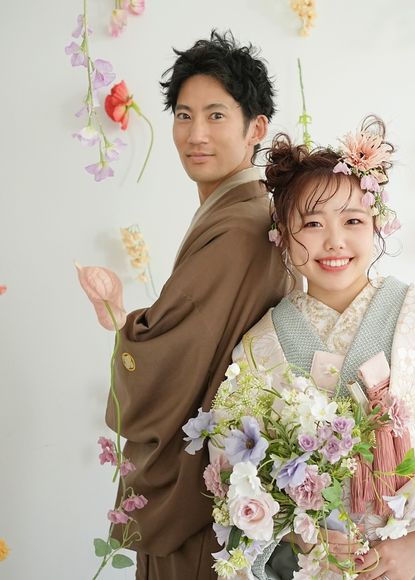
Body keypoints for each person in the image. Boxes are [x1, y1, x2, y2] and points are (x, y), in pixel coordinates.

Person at [221, 118, 415, 579]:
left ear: (376, 226)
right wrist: (298, 535)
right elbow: (233, 470)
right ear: (282, 235)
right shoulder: (260, 347)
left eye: (353, 220)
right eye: (312, 223)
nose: (335, 241)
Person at [105, 31, 288, 580]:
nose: (196, 134)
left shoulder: (239, 228)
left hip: (205, 488)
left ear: (256, 128)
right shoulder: (245, 212)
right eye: (184, 116)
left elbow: (172, 353)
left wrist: (123, 322)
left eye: (216, 116)